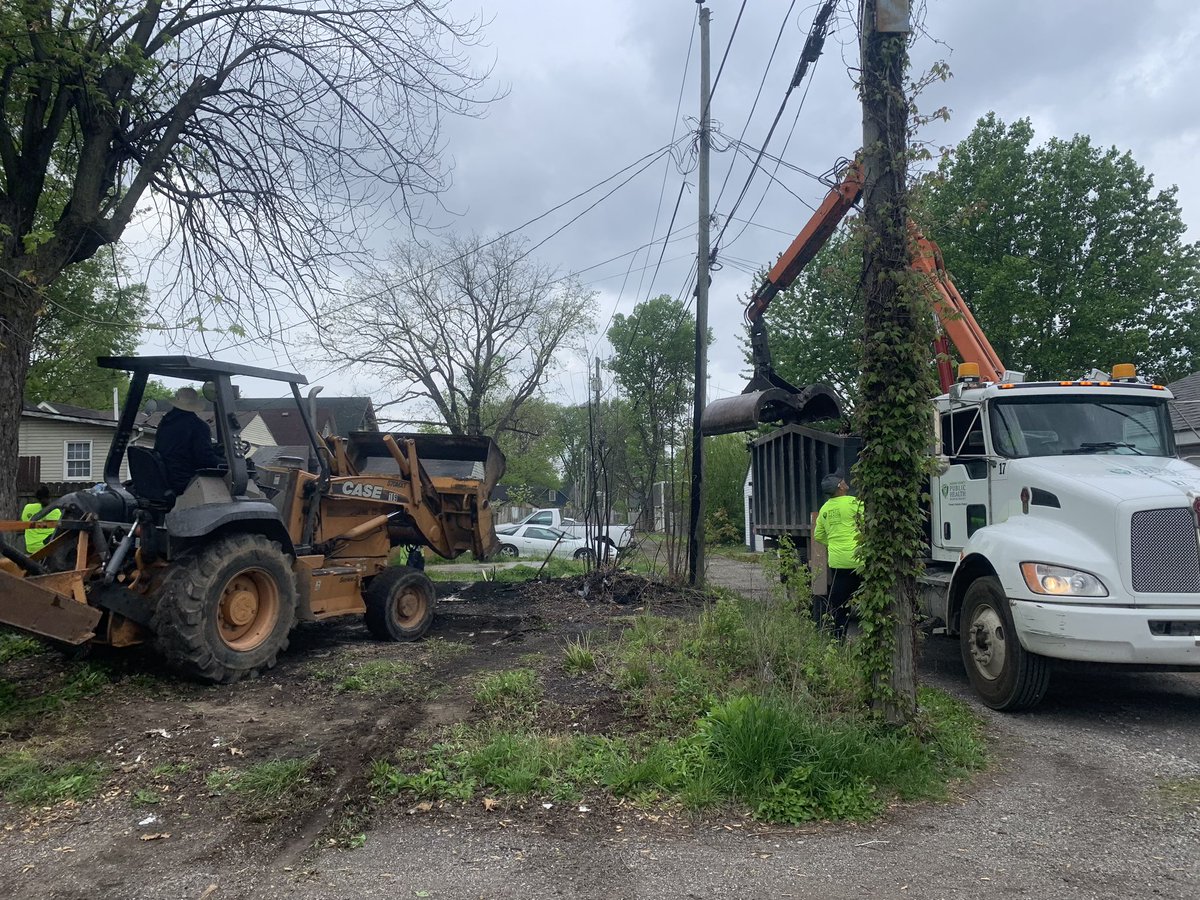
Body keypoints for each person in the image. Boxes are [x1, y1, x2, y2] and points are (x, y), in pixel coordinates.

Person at [813, 473, 863, 639]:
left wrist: (833, 543)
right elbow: (869, 522)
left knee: (840, 605)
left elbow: (818, 535)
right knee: (869, 600)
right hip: (860, 560)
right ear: (840, 487)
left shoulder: (825, 509)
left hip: (838, 563)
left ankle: (838, 641)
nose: (845, 482)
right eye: (842, 481)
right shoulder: (853, 503)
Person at [155, 386, 223, 494]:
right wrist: (225, 463)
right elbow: (205, 459)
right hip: (185, 481)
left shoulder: (165, 423)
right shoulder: (198, 426)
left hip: (163, 478)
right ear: (194, 404)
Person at [21, 485, 62, 555]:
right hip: (48, 547)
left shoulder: (28, 508)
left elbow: (24, 522)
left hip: (31, 547)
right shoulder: (56, 511)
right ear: (49, 497)